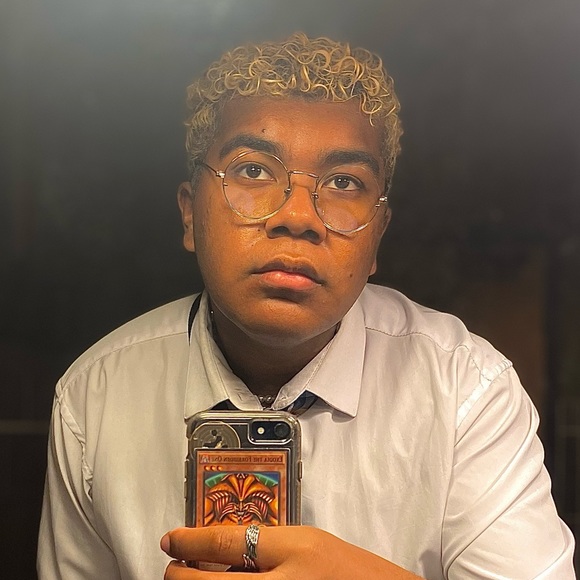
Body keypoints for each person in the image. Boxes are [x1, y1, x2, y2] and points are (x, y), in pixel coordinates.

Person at [38, 32, 575, 579]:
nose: (297, 216)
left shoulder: (465, 391)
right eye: (253, 171)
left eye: (344, 182)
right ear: (190, 214)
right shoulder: (96, 398)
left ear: (377, 237)